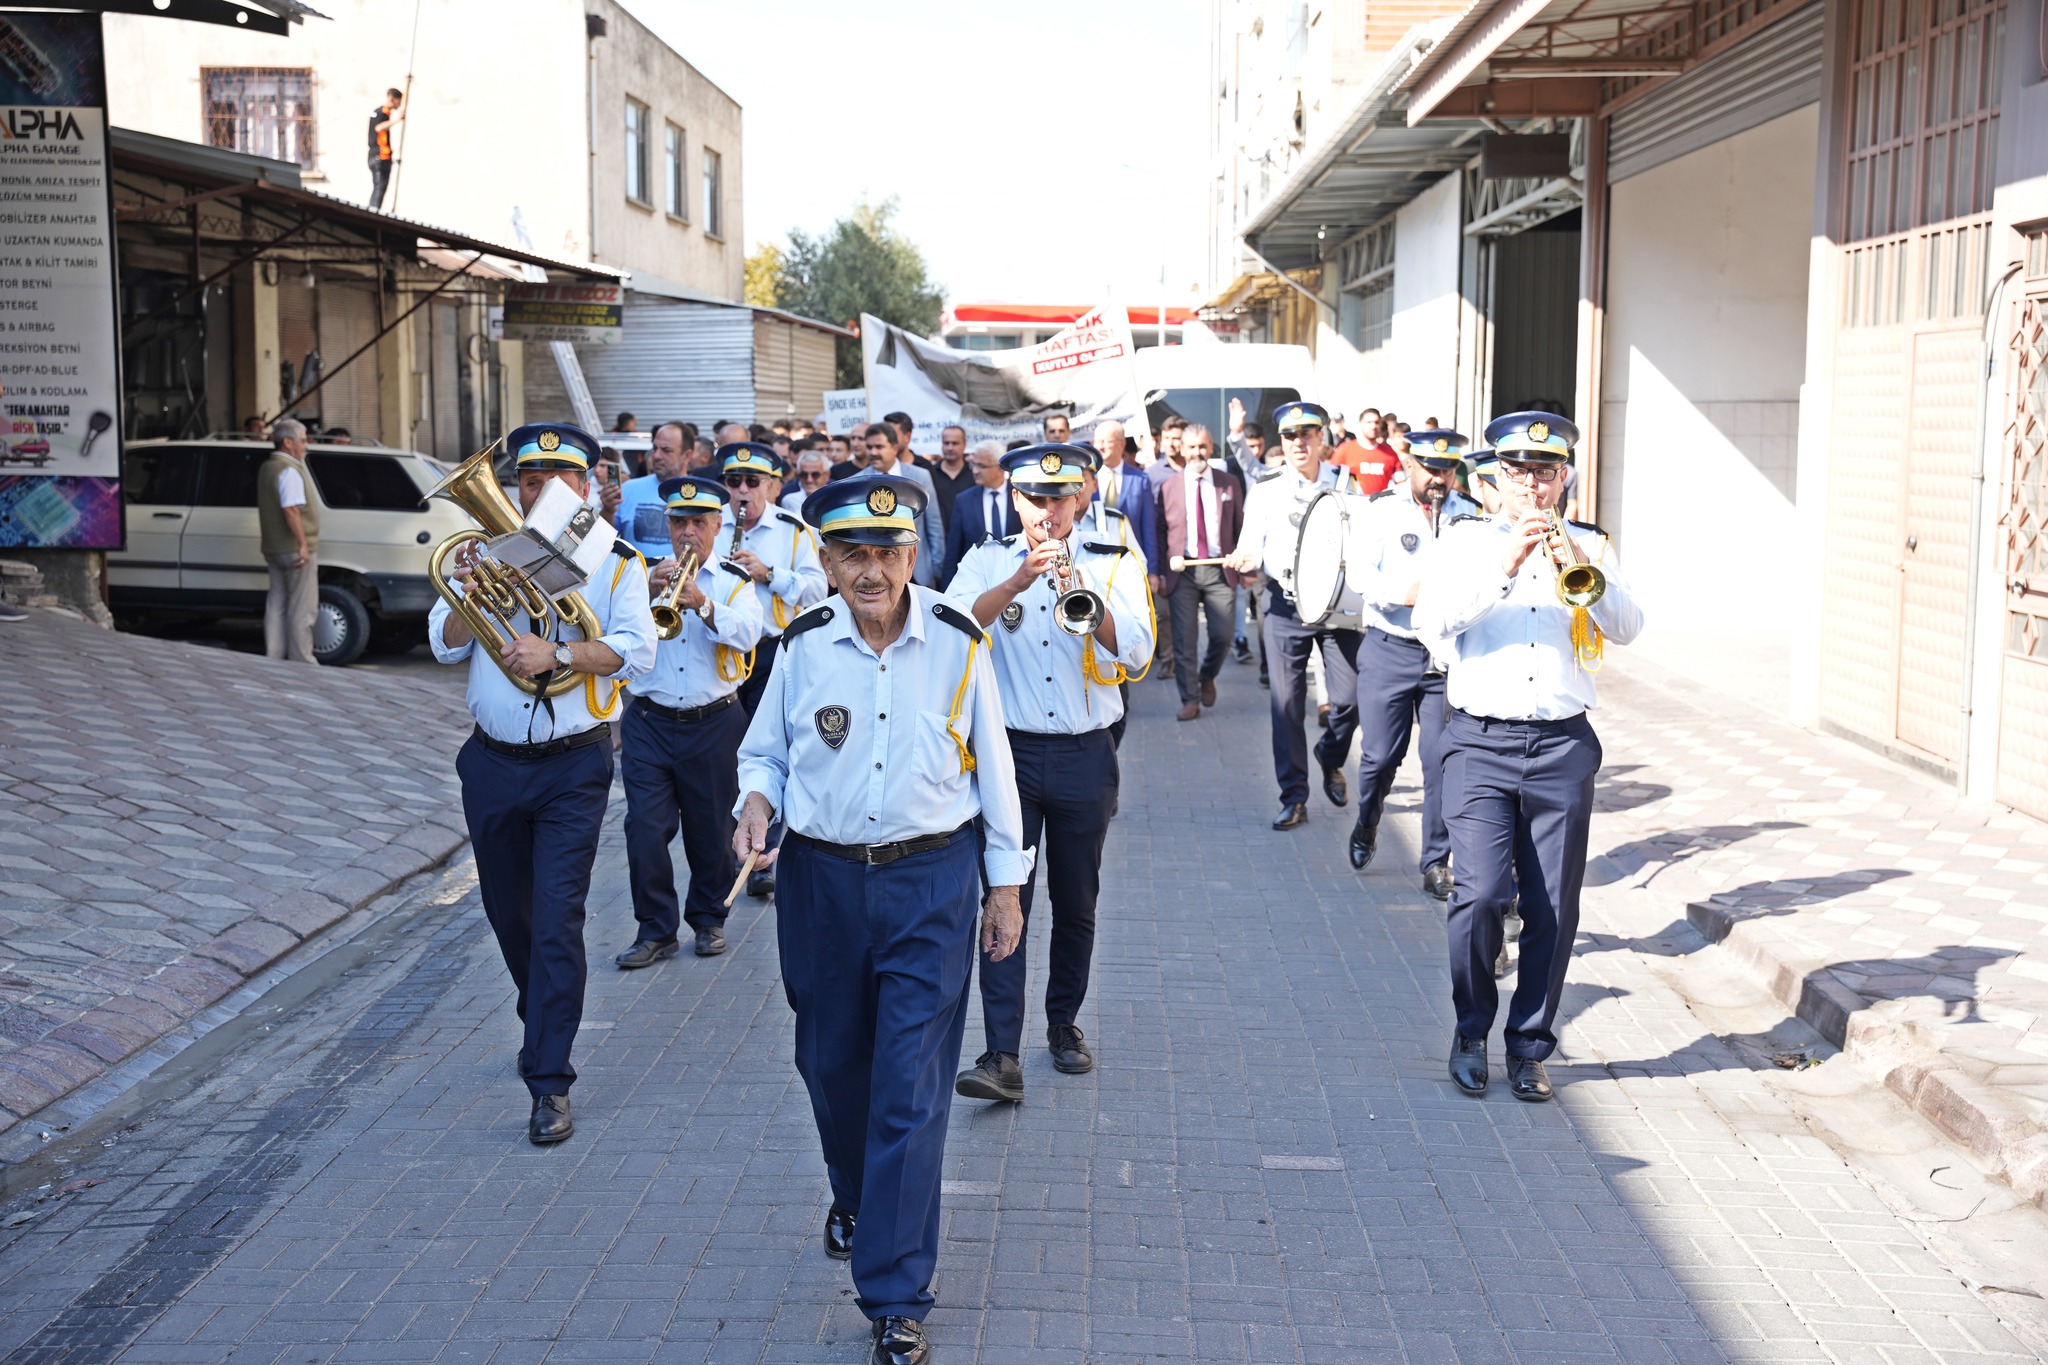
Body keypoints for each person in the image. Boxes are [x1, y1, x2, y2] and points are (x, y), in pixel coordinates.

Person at [733, 474, 1029, 1365]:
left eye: (887, 551)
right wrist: (755, 799)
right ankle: (856, 1191)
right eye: (852, 553)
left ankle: (895, 1292)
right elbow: (766, 750)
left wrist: (1005, 885)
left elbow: (997, 771)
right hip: (821, 886)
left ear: (913, 554)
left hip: (931, 882)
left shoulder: (958, 639)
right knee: (830, 1065)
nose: (872, 570)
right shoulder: (804, 642)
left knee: (908, 1086)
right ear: (824, 561)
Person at [428, 423, 657, 1143]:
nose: (543, 491)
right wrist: (467, 592)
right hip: (490, 762)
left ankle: (550, 1079)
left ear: (587, 487)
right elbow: (441, 641)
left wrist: (556, 649)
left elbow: (637, 652)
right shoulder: (485, 554)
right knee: (509, 914)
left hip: (571, 765)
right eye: (529, 480)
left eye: (562, 480)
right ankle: (543, 1012)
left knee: (558, 916)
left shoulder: (617, 564)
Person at [1414, 412, 1643, 1103]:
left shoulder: (1591, 544)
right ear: (1496, 478)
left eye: (1546, 472)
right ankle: (1470, 1028)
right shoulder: (1465, 541)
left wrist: (1578, 565)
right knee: (1479, 893)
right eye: (1519, 472)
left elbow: (1628, 628)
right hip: (1480, 740)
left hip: (1562, 744)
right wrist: (1507, 564)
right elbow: (1435, 622)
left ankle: (1528, 1045)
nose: (1534, 485)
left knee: (1553, 907)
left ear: (1564, 476)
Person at [947, 444, 1152, 1104]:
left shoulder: (1115, 558)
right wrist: (1016, 583)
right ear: (1015, 500)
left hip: (1086, 751)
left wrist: (1083, 595)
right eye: (1035, 498)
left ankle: (1063, 1023)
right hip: (1007, 754)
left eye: (1060, 498)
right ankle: (1001, 1052)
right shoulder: (986, 559)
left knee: (1076, 898)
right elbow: (950, 628)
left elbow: (1140, 650)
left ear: (1081, 499)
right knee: (1005, 898)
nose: (1048, 511)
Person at [616, 476, 764, 966]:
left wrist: (702, 603)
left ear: (717, 526)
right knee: (644, 829)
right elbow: (616, 640)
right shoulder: (639, 577)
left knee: (711, 832)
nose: (687, 533)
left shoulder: (734, 581)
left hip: (715, 723)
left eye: (698, 523)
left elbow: (748, 635)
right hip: (650, 721)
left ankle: (708, 921)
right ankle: (655, 929)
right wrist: (647, 596)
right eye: (679, 522)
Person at [1346, 429, 1477, 897]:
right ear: (1410, 466)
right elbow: (1360, 574)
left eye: (1446, 470)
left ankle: (1435, 861)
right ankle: (1367, 819)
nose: (1439, 479)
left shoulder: (1469, 515)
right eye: (1430, 469)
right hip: (1391, 646)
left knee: (1440, 760)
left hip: (1444, 655)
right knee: (1380, 756)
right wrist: (1404, 594)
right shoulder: (1381, 511)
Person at [1224, 402, 1361, 830]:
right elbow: (1252, 543)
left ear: (1322, 437)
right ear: (1281, 442)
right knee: (1285, 706)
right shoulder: (1265, 487)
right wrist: (1246, 559)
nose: (1298, 443)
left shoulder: (1345, 482)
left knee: (1350, 700)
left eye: (1307, 434)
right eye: (1289, 436)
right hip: (1284, 604)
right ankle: (1294, 796)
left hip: (1337, 605)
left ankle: (1331, 754)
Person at [721, 441, 829, 898]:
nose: (743, 491)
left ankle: (767, 853)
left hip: (771, 651)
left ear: (770, 484)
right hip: (723, 654)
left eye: (752, 482)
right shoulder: (711, 523)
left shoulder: (794, 530)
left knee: (773, 751)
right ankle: (737, 844)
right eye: (734, 482)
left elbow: (818, 588)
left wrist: (769, 574)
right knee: (730, 755)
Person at [1153, 424, 1242, 722]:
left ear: (1212, 447)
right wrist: (1161, 570)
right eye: (1191, 447)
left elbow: (1240, 526)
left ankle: (1207, 675)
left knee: (1223, 633)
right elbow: (1160, 532)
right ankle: (1190, 699)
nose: (1197, 452)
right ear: (1183, 449)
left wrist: (1243, 560)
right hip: (1183, 571)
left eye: (1202, 446)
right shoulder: (1169, 487)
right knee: (1184, 638)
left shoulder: (1229, 483)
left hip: (1220, 569)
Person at [850, 422, 944, 586]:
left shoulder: (920, 476)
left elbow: (934, 524)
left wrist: (936, 567)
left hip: (919, 570)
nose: (873, 452)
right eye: (869, 447)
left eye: (879, 447)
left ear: (894, 447)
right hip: (878, 572)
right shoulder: (857, 482)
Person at [257, 419, 319, 664]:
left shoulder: (267, 467)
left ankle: (273, 656)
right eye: (303, 440)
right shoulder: (289, 469)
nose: (306, 445)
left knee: (277, 603)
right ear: (287, 442)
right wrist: (303, 544)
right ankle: (302, 661)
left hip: (273, 547)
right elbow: (291, 509)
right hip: (294, 549)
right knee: (302, 608)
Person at [942, 440, 1019, 584]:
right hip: (976, 581)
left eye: (981, 466)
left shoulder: (1021, 496)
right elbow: (953, 551)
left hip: (1017, 578)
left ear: (1000, 468)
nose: (975, 471)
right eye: (974, 465)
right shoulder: (964, 500)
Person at [613, 421, 690, 558]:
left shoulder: (702, 496)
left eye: (666, 450)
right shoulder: (628, 489)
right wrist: (607, 510)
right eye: (654, 448)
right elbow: (606, 540)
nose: (656, 456)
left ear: (687, 456)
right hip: (635, 578)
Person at [927, 425, 975, 546]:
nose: (950, 448)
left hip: (969, 543)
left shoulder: (974, 474)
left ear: (964, 444)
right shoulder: (930, 474)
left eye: (955, 443)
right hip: (939, 542)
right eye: (946, 443)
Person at [366, 87, 403, 211]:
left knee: (378, 187)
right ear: (393, 99)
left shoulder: (377, 112)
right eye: (399, 101)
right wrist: (397, 120)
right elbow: (379, 128)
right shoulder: (382, 113)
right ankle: (373, 213)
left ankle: (373, 211)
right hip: (380, 157)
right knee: (380, 187)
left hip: (374, 156)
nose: (400, 104)